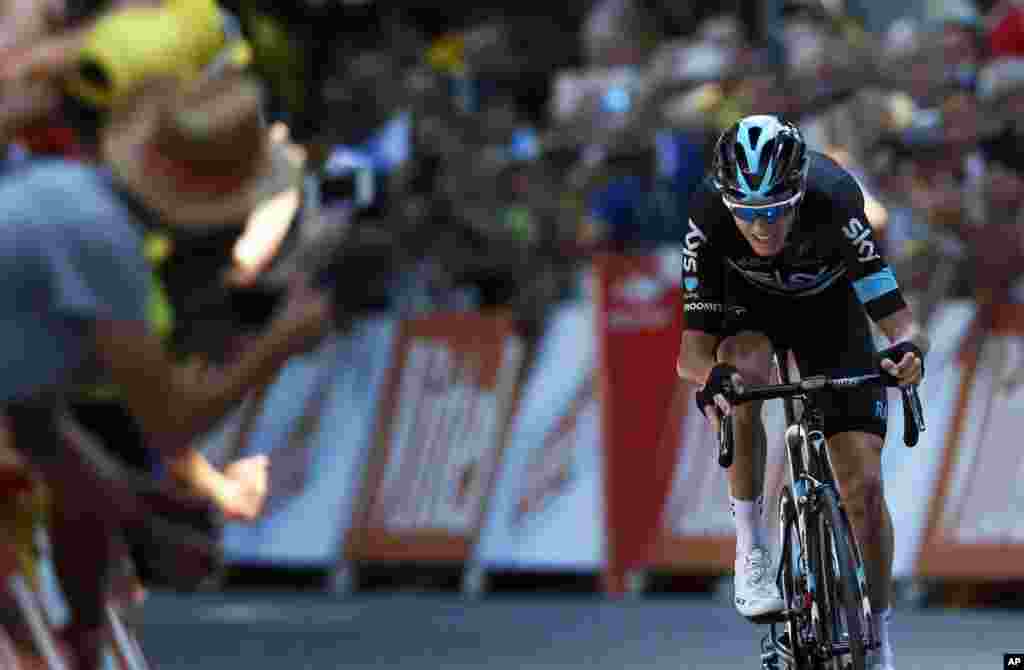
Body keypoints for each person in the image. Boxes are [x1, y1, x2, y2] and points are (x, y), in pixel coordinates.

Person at [0, 69, 330, 670]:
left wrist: (143, 511)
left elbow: (42, 431)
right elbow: (169, 424)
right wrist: (281, 341)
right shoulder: (104, 247)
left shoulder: (57, 194)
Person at [675, 115, 928, 670]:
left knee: (862, 485)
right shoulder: (709, 213)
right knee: (741, 376)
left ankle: (879, 634)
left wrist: (908, 353)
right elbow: (691, 355)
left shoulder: (834, 196)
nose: (760, 228)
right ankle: (751, 551)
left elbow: (900, 320)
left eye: (773, 212)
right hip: (748, 313)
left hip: (829, 317)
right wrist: (713, 380)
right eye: (747, 215)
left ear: (798, 193)